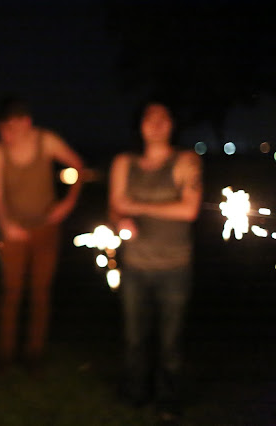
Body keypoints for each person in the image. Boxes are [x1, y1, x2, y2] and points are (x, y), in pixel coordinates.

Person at [108, 99, 202, 421]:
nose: (157, 122)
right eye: (150, 116)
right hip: (135, 265)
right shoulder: (124, 163)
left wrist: (135, 206)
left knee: (170, 340)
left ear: (172, 124)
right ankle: (136, 392)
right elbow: (115, 205)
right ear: (140, 125)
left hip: (175, 265)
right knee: (134, 337)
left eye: (164, 116)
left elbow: (188, 210)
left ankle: (168, 399)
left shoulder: (186, 161)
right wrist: (121, 218)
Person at [0, 95, 84, 374]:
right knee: (11, 292)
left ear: (26, 123)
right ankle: (4, 356)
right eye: (3, 129)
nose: (8, 135)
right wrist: (5, 224)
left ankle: (34, 356)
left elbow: (76, 165)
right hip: (14, 230)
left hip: (46, 229)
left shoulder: (46, 141)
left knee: (40, 293)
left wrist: (67, 203)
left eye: (12, 128)